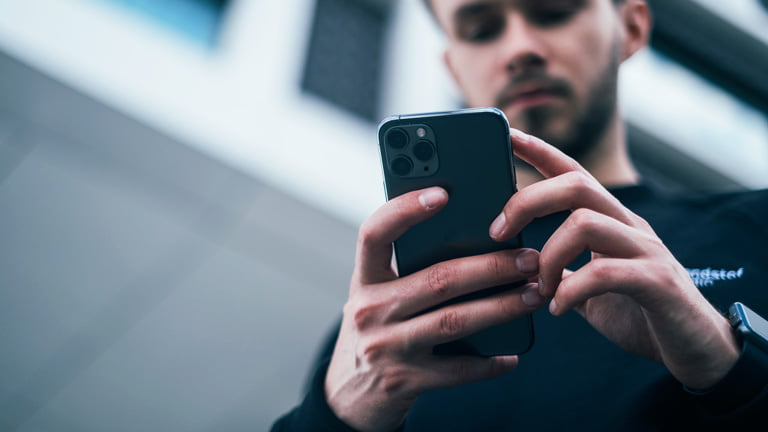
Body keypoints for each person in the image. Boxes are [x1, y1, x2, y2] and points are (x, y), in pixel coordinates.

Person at [272, 0, 768, 430]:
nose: (519, 49)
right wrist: (335, 414)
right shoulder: (383, 324)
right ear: (453, 68)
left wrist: (728, 362)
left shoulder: (756, 227)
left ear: (631, 27)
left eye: (553, 13)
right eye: (481, 30)